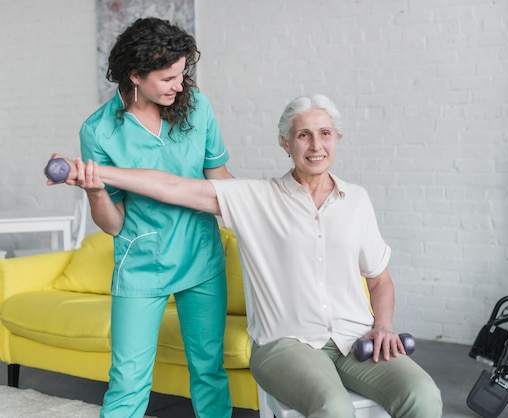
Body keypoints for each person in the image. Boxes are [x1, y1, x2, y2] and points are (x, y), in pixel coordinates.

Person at [54, 94, 443, 418]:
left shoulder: (357, 200)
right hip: (286, 344)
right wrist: (93, 173)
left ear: (337, 139)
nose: (316, 145)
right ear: (285, 143)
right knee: (333, 408)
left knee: (423, 395)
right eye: (303, 135)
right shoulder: (256, 198)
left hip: (355, 337)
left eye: (325, 134)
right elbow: (170, 185)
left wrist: (384, 325)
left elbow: (380, 280)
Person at [77, 17, 232, 418]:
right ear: (135, 77)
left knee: (209, 372)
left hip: (201, 256)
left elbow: (220, 180)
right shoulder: (99, 131)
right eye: (168, 78)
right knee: (128, 382)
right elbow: (112, 223)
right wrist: (96, 189)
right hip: (141, 263)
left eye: (183, 74)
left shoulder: (196, 107)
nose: (180, 85)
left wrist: (264, 208)